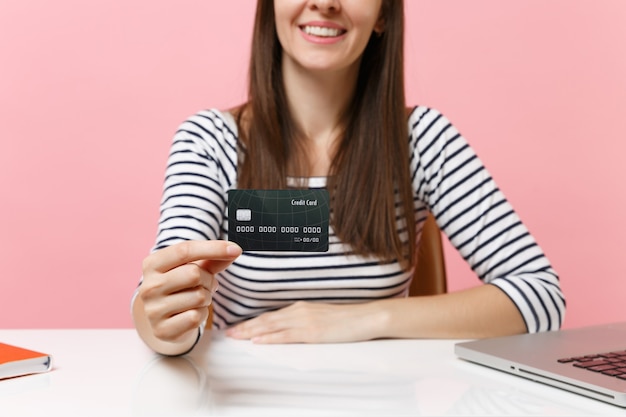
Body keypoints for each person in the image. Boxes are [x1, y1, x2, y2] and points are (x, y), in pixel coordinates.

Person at [132, 0, 566, 356]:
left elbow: (540, 297)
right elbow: (163, 309)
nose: (325, 3)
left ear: (382, 15)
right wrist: (164, 324)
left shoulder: (423, 140)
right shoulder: (210, 141)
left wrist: (362, 319)